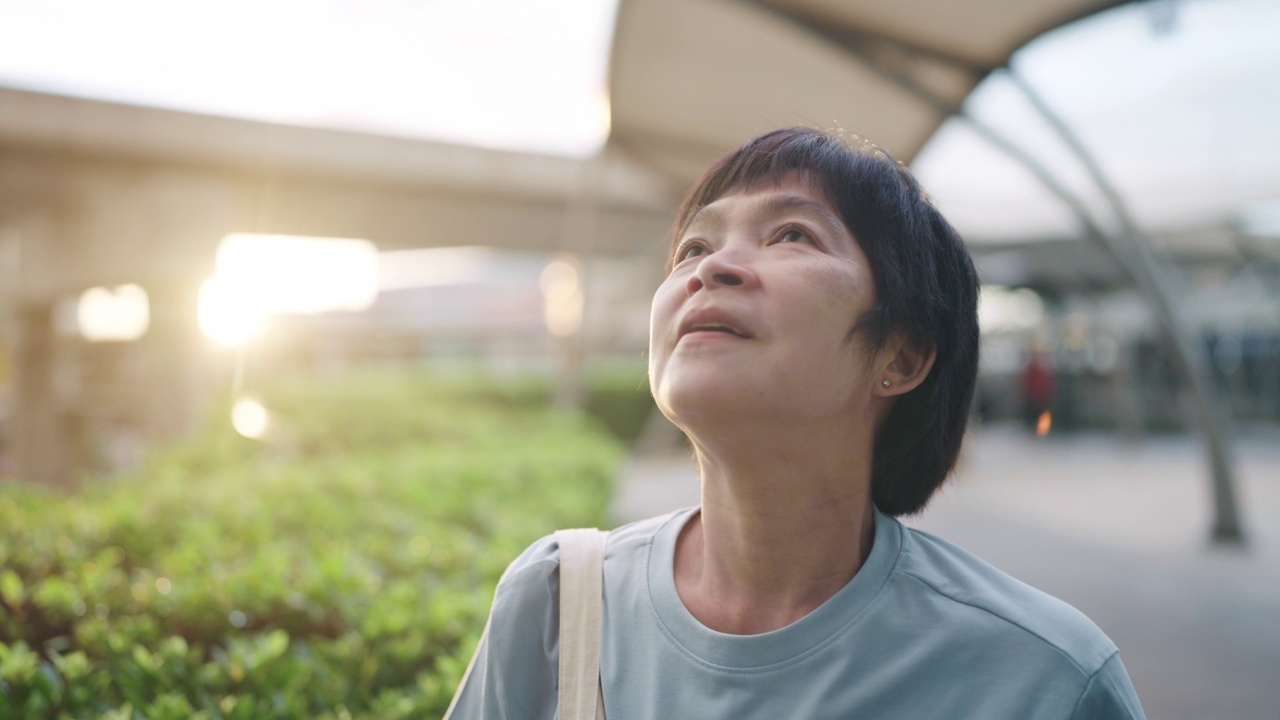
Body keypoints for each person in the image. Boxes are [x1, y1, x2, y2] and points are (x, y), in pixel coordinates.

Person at [445, 127, 1146, 719]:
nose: (712, 267)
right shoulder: (557, 606)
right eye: (693, 247)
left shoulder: (1045, 678)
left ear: (899, 357)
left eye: (791, 234)